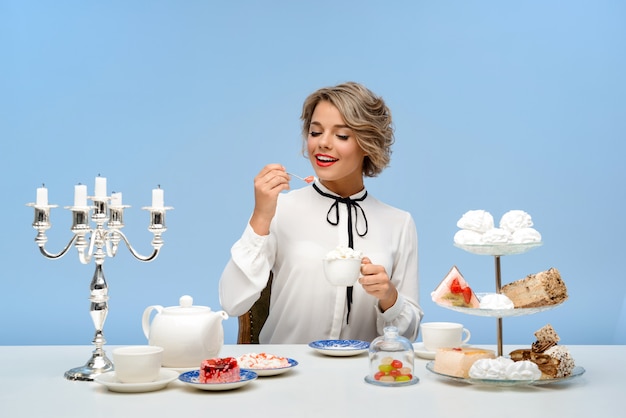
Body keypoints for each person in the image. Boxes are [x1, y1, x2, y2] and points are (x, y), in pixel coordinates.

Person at [219, 81, 422, 344]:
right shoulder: (280, 209)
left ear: (367, 144)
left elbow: (409, 334)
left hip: (364, 378)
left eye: (342, 136)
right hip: (287, 373)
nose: (323, 144)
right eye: (315, 132)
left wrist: (389, 297)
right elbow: (232, 302)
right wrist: (260, 216)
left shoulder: (399, 223)